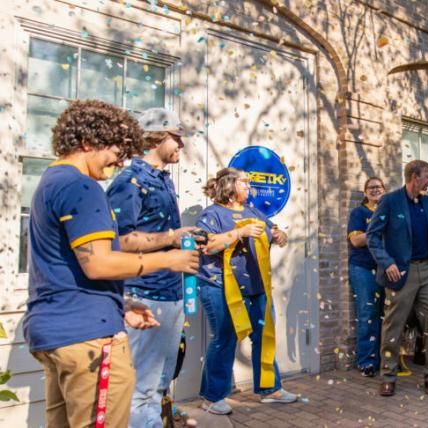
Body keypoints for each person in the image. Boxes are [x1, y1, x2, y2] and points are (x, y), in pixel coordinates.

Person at [22, 99, 199, 427]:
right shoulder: (81, 186)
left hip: (57, 330)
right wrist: (168, 258)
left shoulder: (52, 180)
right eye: (117, 149)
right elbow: (98, 263)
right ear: (88, 141)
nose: (121, 160)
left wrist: (121, 304)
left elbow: (69, 266)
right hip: (87, 335)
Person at [107, 108, 201, 428]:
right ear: (156, 138)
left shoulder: (163, 180)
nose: (181, 145)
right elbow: (120, 241)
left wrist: (182, 241)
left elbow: (157, 235)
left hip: (171, 292)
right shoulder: (129, 182)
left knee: (159, 384)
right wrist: (172, 237)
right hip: (144, 296)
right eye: (176, 137)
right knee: (140, 390)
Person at [196, 168, 295, 414]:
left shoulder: (253, 211)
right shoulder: (211, 214)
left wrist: (279, 235)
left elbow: (273, 230)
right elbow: (207, 246)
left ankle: (270, 389)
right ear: (229, 184)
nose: (249, 187)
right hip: (220, 286)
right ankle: (212, 396)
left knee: (264, 336)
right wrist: (239, 232)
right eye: (245, 182)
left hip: (256, 287)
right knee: (225, 338)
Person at [367, 160, 428, 398]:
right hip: (401, 271)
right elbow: (372, 236)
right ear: (414, 177)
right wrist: (387, 262)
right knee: (394, 325)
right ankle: (388, 377)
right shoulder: (390, 201)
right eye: (427, 176)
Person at [347, 177, 386, 377]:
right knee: (367, 313)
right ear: (365, 192)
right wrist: (378, 229)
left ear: (384, 190)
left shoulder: (388, 212)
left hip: (386, 268)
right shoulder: (359, 213)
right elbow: (356, 240)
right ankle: (366, 361)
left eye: (378, 187)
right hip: (363, 268)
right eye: (371, 187)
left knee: (387, 315)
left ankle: (385, 359)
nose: (375, 190)